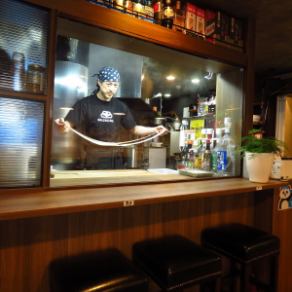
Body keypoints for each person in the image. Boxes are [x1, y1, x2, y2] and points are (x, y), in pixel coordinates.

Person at [55, 66, 167, 169]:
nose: (112, 89)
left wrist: (154, 130)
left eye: (115, 85)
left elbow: (134, 129)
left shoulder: (120, 106)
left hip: (115, 157)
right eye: (108, 84)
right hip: (93, 158)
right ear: (99, 82)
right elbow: (67, 126)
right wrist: (62, 126)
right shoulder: (85, 104)